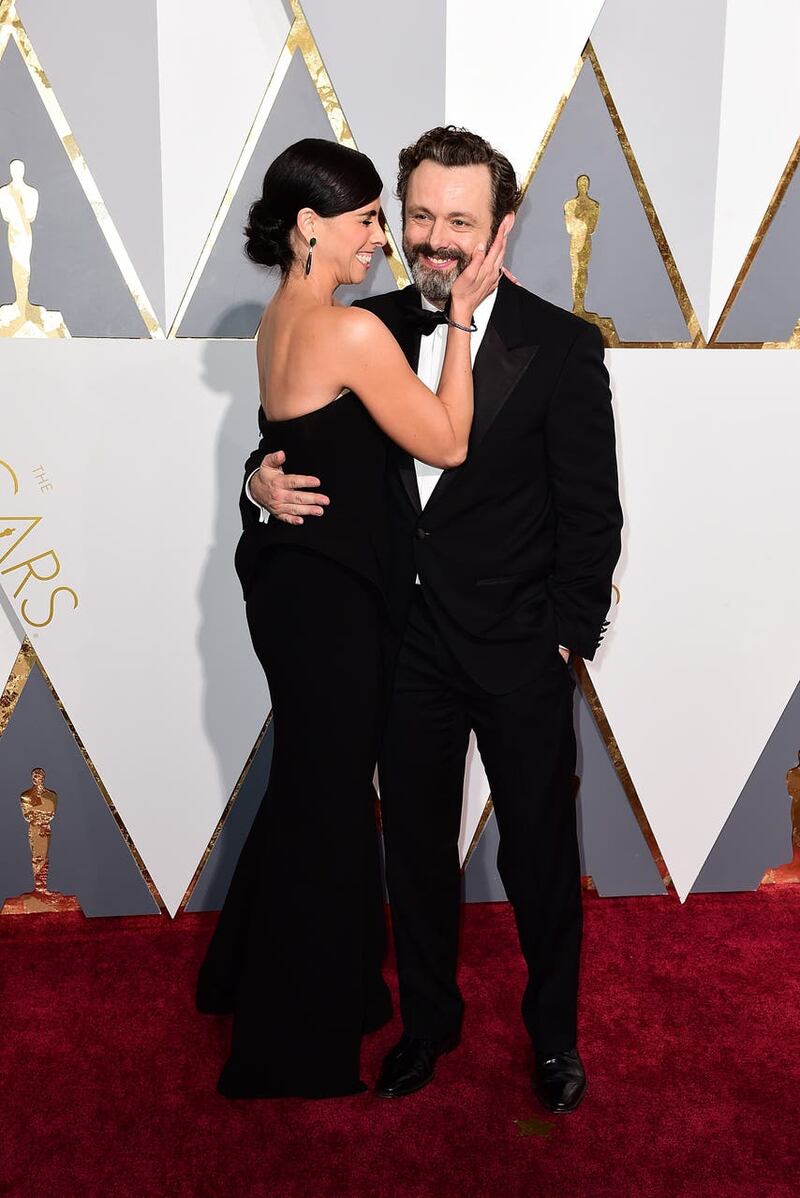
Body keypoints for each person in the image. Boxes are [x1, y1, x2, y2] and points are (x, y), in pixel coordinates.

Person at [247, 127, 623, 1113]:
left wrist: (562, 637)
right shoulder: (358, 324)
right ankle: (424, 1024)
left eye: (459, 220)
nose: (433, 239)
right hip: (397, 648)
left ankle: (551, 1039)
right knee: (410, 851)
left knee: (538, 853)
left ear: (499, 227)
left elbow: (591, 513)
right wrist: (256, 481)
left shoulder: (559, 344)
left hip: (515, 649)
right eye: (417, 215)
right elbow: (293, 437)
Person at [196, 137, 508, 1100]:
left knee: (308, 787)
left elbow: (292, 439)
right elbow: (450, 441)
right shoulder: (352, 335)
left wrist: (257, 479)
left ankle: (247, 970)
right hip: (332, 604)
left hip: (291, 585)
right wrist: (461, 322)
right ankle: (293, 1036)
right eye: (369, 217)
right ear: (309, 226)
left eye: (385, 215)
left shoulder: (280, 324)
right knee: (329, 812)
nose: (384, 236)